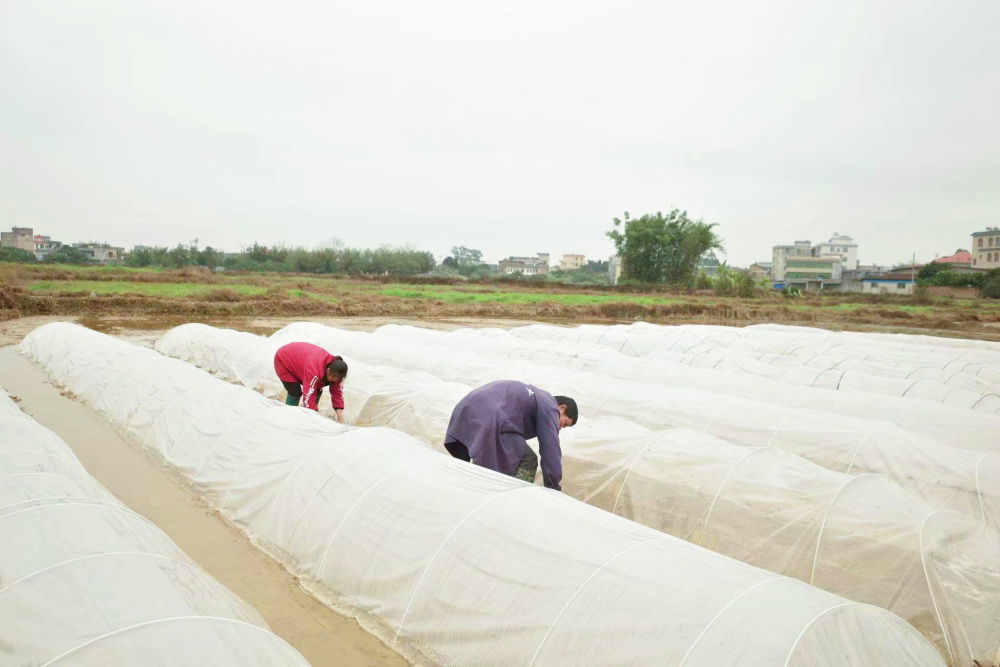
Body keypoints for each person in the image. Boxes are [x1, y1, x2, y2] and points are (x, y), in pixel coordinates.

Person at [444, 380, 577, 491]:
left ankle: (461, 492)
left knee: (468, 473)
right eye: (563, 423)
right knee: (528, 459)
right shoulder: (550, 406)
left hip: (465, 412)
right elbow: (550, 447)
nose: (559, 428)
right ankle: (513, 498)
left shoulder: (537, 397)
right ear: (562, 408)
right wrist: (553, 487)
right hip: (490, 418)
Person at [273, 341, 348, 423]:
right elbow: (308, 396)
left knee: (317, 390)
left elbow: (337, 393)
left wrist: (340, 416)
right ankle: (289, 418)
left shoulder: (337, 372)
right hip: (283, 360)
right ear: (328, 371)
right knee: (295, 391)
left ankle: (307, 418)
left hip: (301, 363)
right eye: (334, 378)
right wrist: (314, 416)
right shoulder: (314, 371)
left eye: (338, 379)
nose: (335, 380)